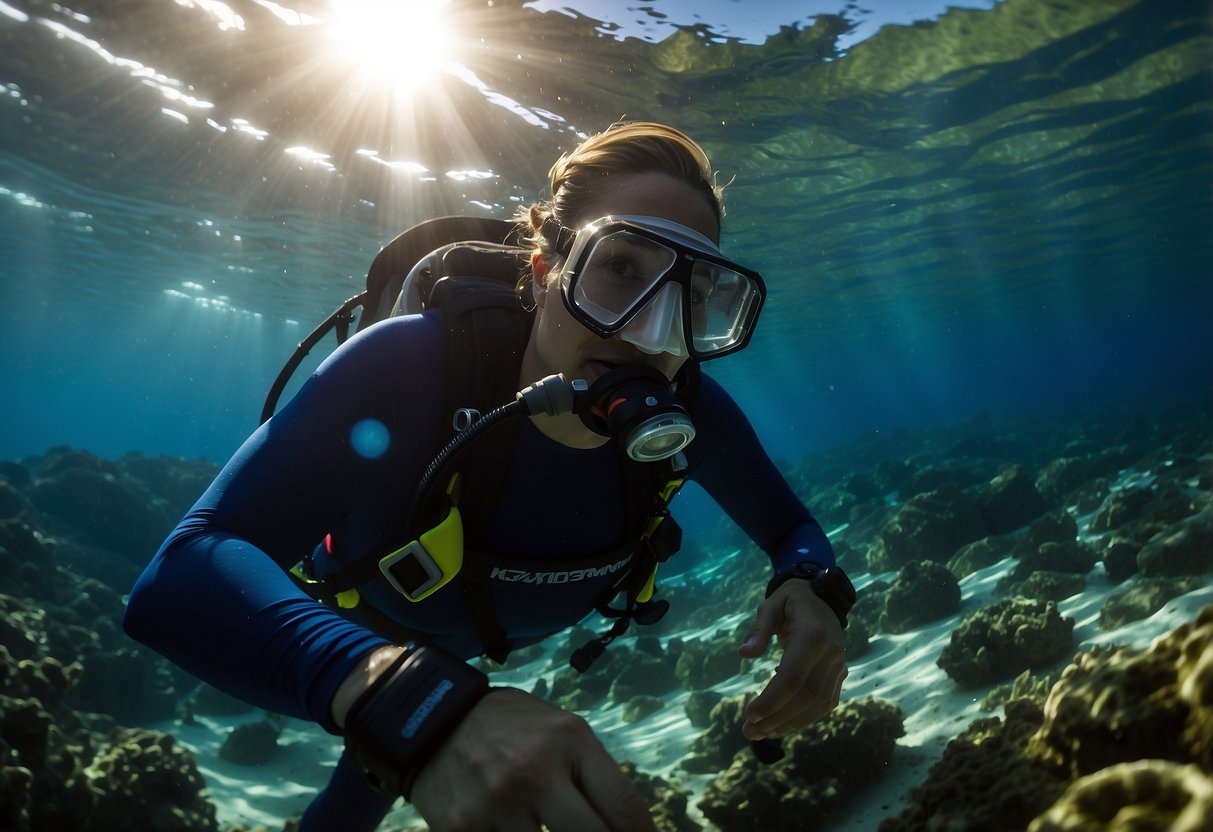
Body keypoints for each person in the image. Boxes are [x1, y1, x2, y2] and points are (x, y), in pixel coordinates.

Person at [125, 121, 852, 832]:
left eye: (695, 299)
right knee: (397, 739)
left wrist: (809, 584)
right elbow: (177, 577)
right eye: (621, 268)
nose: (651, 333)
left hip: (456, 649)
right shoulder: (406, 368)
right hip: (363, 625)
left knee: (391, 752)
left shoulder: (692, 410)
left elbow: (792, 530)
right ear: (544, 273)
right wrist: (407, 701)